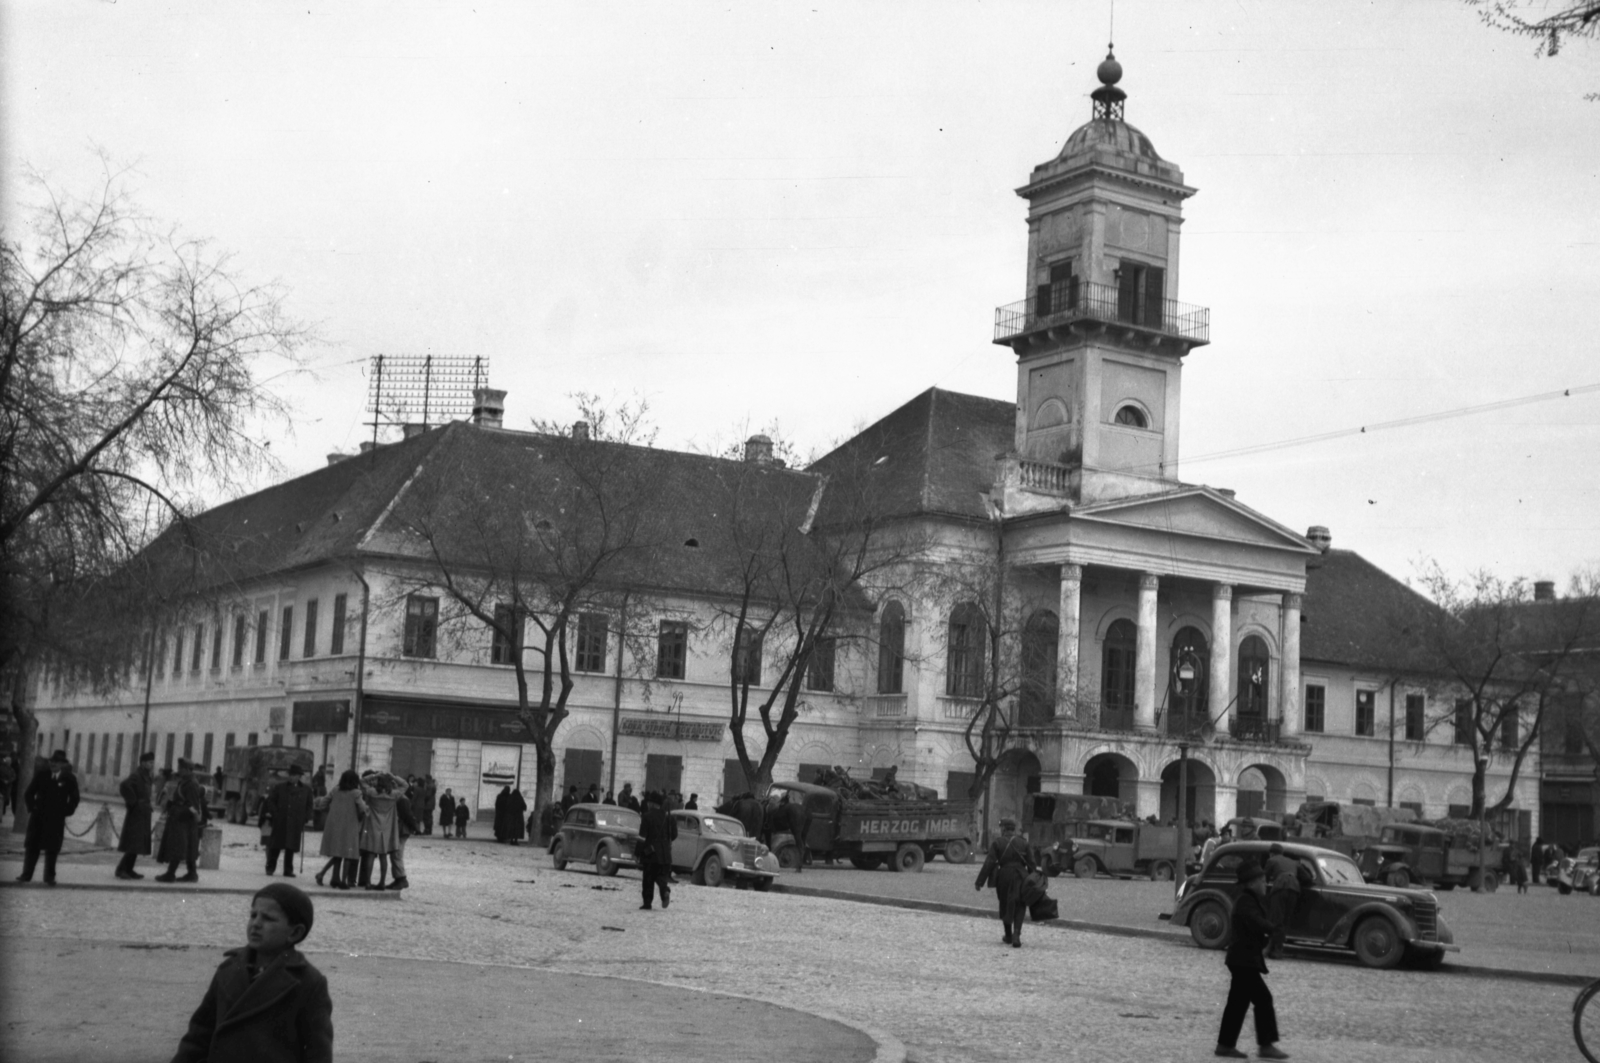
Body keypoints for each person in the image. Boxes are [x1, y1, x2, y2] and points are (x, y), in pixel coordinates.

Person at [172, 882, 333, 1063]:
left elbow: (318, 1053)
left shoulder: (308, 982)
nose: (256, 924)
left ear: (295, 932)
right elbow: (199, 1033)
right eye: (253, 915)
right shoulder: (229, 968)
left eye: (268, 918)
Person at [1214, 860, 1288, 1060]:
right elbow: (1255, 922)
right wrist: (1273, 929)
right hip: (1243, 961)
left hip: (1242, 960)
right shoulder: (1246, 901)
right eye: (1263, 881)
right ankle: (1265, 1046)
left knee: (1237, 1003)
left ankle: (1225, 1045)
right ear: (1252, 883)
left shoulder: (1250, 900)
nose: (1266, 884)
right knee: (1263, 999)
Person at [18, 750, 80, 885]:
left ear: (63, 764)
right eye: (52, 761)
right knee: (32, 847)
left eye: (57, 762)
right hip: (38, 818)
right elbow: (29, 793)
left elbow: (75, 799)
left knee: (52, 849)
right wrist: (33, 808)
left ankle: (49, 877)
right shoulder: (42, 775)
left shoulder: (69, 778)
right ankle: (26, 875)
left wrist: (66, 811)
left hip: (56, 819)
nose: (53, 764)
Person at [974, 816, 1035, 947]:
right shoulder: (1024, 843)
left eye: (1001, 827)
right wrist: (1035, 881)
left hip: (1004, 876)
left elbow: (989, 863)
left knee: (1005, 903)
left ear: (1004, 829)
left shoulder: (998, 843)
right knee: (1020, 904)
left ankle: (1008, 935)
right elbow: (1031, 864)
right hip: (1021, 876)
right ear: (1013, 829)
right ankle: (1016, 935)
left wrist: (980, 882)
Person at [155, 759, 206, 883]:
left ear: (188, 770)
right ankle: (192, 873)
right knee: (187, 848)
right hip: (183, 821)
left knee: (178, 847)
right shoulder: (184, 782)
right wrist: (171, 805)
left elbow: (192, 806)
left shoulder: (191, 783)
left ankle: (170, 873)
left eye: (181, 768)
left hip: (184, 822)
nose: (179, 771)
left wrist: (178, 811)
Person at [314, 770, 367, 890]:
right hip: (349, 825)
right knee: (348, 853)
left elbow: (323, 803)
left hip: (334, 824)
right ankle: (343, 881)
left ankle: (326, 876)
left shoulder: (335, 790)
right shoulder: (356, 793)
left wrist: (332, 810)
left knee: (337, 853)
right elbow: (363, 808)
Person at [264, 764, 315, 878]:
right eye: (290, 775)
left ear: (299, 776)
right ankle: (270, 867)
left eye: (294, 775)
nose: (292, 777)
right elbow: (270, 801)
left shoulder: (306, 790)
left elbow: (309, 806)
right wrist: (276, 814)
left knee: (290, 846)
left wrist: (305, 818)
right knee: (276, 846)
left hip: (296, 822)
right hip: (281, 820)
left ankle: (288, 870)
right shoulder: (280, 787)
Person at [115, 751, 157, 880]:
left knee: (138, 843)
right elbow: (124, 786)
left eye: (152, 762)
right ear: (143, 763)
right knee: (134, 842)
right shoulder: (137, 775)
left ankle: (129, 869)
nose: (152, 765)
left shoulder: (146, 775)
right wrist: (133, 802)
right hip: (137, 813)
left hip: (143, 812)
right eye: (150, 763)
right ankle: (121, 869)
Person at [1262, 843, 1308, 959]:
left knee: (1277, 918)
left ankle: (1277, 950)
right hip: (1294, 888)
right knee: (1285, 920)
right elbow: (1307, 877)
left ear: (1271, 854)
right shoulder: (1294, 862)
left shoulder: (1271, 860)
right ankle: (1277, 948)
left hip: (1280, 886)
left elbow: (1264, 878)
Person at [358, 773, 402, 889]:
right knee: (383, 856)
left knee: (371, 855)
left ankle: (367, 882)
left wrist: (375, 775)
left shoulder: (372, 793)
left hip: (373, 825)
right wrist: (393, 776)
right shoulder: (394, 794)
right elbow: (405, 785)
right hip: (387, 827)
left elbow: (362, 781)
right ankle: (382, 882)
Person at [637, 791, 677, 910]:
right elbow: (674, 835)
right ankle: (665, 891)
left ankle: (647, 903)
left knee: (648, 878)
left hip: (651, 853)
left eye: (649, 802)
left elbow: (642, 837)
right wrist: (664, 842)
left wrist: (637, 853)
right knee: (660, 877)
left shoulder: (647, 816)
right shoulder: (668, 817)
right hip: (665, 854)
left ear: (652, 804)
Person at [389, 780, 419, 890]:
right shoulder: (401, 798)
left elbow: (407, 815)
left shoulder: (401, 799)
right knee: (395, 854)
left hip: (402, 829)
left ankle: (401, 879)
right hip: (402, 828)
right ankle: (398, 878)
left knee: (397, 854)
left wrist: (415, 827)